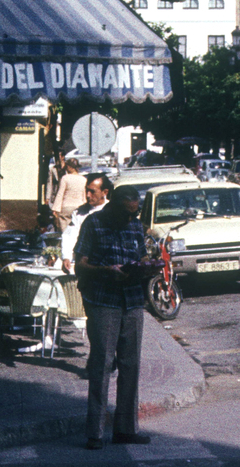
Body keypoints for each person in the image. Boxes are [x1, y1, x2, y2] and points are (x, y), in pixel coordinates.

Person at [75, 184, 151, 449]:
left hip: (132, 301)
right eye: (126, 213)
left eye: (135, 213)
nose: (130, 219)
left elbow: (142, 256)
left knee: (131, 365)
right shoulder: (93, 223)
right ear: (114, 206)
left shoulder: (135, 225)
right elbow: (79, 264)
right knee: (102, 363)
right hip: (103, 300)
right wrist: (107, 270)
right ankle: (94, 432)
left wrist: (147, 268)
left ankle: (126, 429)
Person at [63, 174, 110, 275]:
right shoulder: (79, 212)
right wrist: (66, 257)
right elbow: (70, 235)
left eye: (92, 191)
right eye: (86, 190)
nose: (88, 195)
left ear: (104, 192)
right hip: (84, 265)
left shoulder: (112, 211)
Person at [52, 158, 87, 232]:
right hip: (79, 207)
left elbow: (60, 194)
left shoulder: (65, 178)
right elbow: (84, 196)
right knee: (77, 230)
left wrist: (55, 208)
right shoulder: (84, 179)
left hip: (66, 207)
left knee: (65, 231)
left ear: (69, 167)